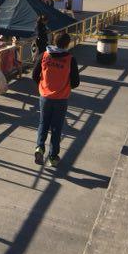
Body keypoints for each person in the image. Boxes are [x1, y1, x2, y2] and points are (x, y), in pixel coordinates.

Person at [32, 33, 80, 168]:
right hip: (61, 98)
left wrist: (43, 86)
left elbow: (34, 75)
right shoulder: (70, 59)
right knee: (56, 127)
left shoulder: (44, 55)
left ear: (54, 41)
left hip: (45, 97)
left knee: (43, 122)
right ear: (67, 44)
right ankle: (53, 157)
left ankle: (39, 148)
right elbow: (76, 82)